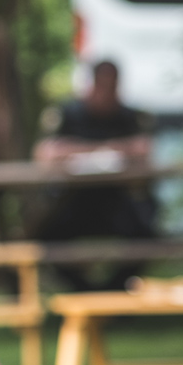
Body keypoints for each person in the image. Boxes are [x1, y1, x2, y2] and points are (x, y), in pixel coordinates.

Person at [32, 59, 157, 289]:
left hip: (116, 199)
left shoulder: (130, 115)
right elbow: (46, 153)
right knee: (43, 236)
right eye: (103, 85)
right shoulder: (68, 113)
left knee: (148, 232)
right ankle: (83, 291)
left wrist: (79, 149)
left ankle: (114, 291)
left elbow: (145, 149)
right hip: (73, 200)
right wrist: (107, 149)